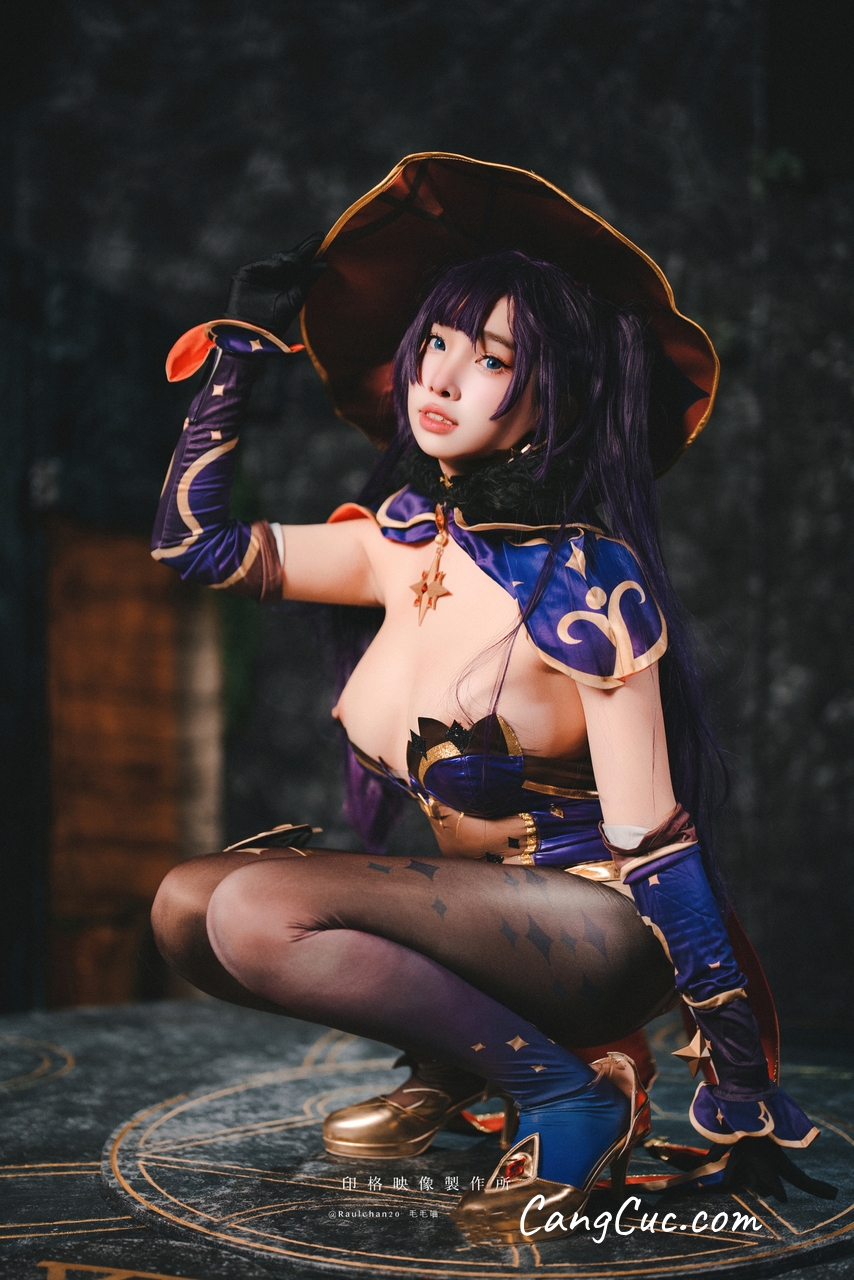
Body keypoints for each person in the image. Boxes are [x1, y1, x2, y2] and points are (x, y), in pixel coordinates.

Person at [150, 155, 826, 1242]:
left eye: (493, 358)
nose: (443, 377)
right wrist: (237, 355)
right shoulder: (400, 543)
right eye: (437, 343)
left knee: (248, 905)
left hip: (594, 929)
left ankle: (568, 1093)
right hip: (485, 927)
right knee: (185, 906)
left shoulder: (586, 582)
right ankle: (468, 1062)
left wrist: (738, 1064)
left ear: (551, 398)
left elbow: (655, 844)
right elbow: (199, 546)